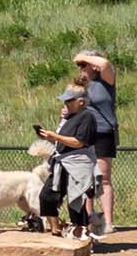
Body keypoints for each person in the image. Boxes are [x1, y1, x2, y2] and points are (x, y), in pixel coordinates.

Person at [36, 86, 102, 240]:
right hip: (62, 162)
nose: (66, 103)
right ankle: (56, 229)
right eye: (65, 100)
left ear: (81, 101)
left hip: (78, 163)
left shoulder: (87, 116)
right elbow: (64, 139)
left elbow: (79, 142)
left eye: (69, 100)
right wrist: (50, 136)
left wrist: (56, 137)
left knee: (76, 200)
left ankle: (81, 234)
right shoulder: (69, 117)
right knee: (46, 196)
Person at [72, 49, 118, 236]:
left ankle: (108, 222)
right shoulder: (81, 85)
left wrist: (84, 57)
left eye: (84, 65)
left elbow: (106, 65)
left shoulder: (106, 80)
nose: (81, 68)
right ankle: (90, 220)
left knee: (103, 179)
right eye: (79, 65)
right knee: (86, 180)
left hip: (103, 132)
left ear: (94, 64)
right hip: (85, 133)